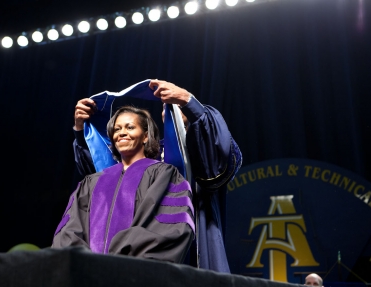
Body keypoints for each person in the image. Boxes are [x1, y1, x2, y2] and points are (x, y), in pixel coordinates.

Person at [72, 80, 242, 273]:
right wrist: (83, 130)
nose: (172, 107)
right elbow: (100, 175)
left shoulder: (201, 152)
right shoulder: (147, 159)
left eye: (178, 104)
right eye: (168, 105)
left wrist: (189, 101)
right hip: (141, 253)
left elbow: (220, 151)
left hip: (190, 247)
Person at [53, 106, 194, 263]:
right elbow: (69, 230)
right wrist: (83, 264)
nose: (122, 133)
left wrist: (120, 264)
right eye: (117, 129)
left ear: (146, 136)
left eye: (130, 127)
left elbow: (171, 229)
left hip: (133, 274)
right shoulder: (92, 182)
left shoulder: (163, 175)